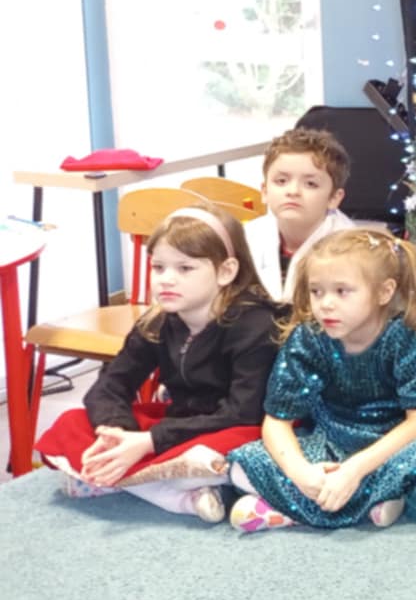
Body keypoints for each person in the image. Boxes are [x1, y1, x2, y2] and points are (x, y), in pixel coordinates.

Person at [37, 202, 285, 523]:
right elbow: (111, 385)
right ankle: (170, 486)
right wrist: (117, 434)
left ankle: (157, 491)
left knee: (218, 452)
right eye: (158, 267)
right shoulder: (157, 323)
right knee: (71, 423)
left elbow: (244, 412)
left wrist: (150, 441)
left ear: (226, 271)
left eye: (185, 268)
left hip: (236, 427)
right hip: (179, 425)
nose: (166, 279)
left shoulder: (255, 325)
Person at [227, 230, 416, 533]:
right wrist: (302, 474)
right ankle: (370, 502)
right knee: (245, 461)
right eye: (316, 292)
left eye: (342, 291)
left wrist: (354, 471)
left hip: (394, 441)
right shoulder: (307, 339)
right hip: (333, 438)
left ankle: (302, 508)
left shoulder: (409, 339)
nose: (325, 304)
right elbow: (277, 421)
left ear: (384, 292)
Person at [251, 126, 357, 299]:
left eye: (310, 184)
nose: (293, 191)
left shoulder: (353, 252)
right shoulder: (248, 236)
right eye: (281, 181)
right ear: (264, 191)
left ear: (334, 198)